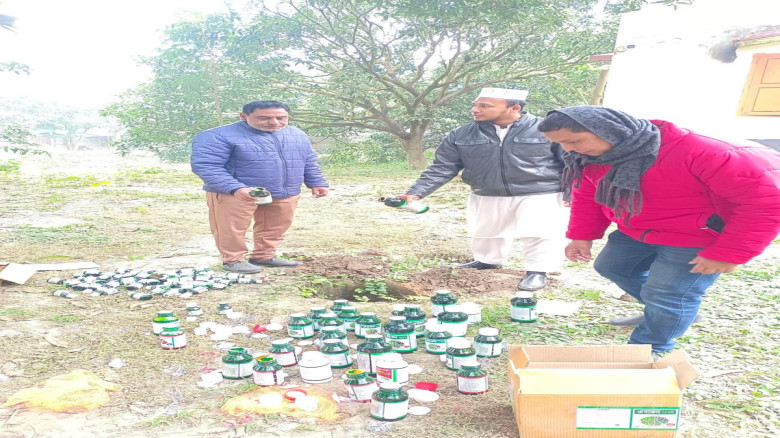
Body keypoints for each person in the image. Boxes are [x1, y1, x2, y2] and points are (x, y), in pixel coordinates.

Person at [537, 106, 780, 355]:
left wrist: (729, 253)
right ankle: (666, 311)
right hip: (637, 229)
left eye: (573, 140)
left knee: (666, 293)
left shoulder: (703, 151)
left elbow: (766, 203)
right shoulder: (591, 156)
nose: (567, 149)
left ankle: (650, 349)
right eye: (561, 144)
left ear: (608, 130)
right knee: (613, 267)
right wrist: (582, 236)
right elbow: (588, 193)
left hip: (697, 235)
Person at [397, 88, 570, 291]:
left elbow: (572, 162)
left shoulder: (546, 130)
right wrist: (416, 192)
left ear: (514, 108)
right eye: (475, 105)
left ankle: (537, 271)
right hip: (487, 191)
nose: (475, 110)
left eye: (484, 106)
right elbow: (443, 167)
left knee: (539, 232)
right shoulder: (461, 134)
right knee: (487, 232)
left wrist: (572, 191)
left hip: (541, 191)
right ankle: (487, 261)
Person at [191, 100, 329, 274]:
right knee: (231, 228)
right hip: (235, 192)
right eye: (264, 118)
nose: (274, 122)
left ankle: (264, 255)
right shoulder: (217, 136)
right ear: (244, 116)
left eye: (281, 118)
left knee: (276, 225)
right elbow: (206, 165)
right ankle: (233, 260)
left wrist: (317, 182)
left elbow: (308, 160)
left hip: (284, 190)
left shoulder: (296, 134)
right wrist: (235, 188)